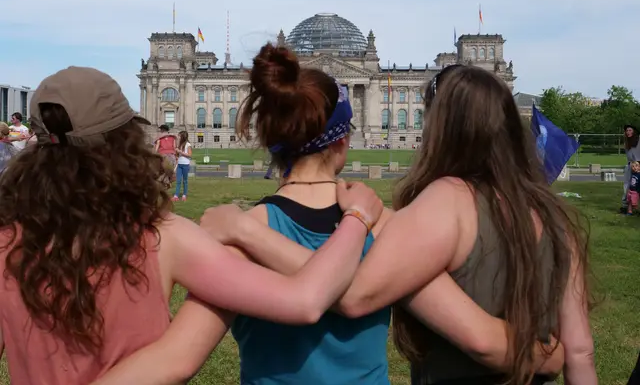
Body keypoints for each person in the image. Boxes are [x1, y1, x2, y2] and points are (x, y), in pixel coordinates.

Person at [93, 48, 564, 385]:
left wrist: (241, 229)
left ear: (269, 139)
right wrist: (550, 355)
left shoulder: (236, 236)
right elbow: (481, 336)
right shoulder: (387, 228)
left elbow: (176, 360)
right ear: (342, 142)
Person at [198, 64, 595, 384]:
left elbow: (351, 294)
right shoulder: (556, 216)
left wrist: (248, 231)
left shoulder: (443, 204)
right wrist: (552, 354)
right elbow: (580, 354)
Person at [0, 65, 384, 385]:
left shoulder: (5, 242)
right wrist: (357, 217)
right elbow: (306, 300)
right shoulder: (162, 237)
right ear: (127, 141)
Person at [621, 125, 640, 213]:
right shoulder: (626, 143)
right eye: (626, 130)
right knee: (627, 186)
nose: (628, 132)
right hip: (630, 165)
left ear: (633, 131)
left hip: (638, 164)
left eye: (630, 130)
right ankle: (626, 207)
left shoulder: (638, 140)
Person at [173, 130, 192, 202]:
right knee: (178, 181)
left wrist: (180, 151)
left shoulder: (188, 144)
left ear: (183, 137)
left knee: (185, 181)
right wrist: (176, 155)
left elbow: (190, 155)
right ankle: (176, 195)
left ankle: (184, 195)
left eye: (179, 136)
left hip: (185, 165)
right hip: (179, 165)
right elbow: (178, 155)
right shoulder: (180, 145)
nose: (178, 137)